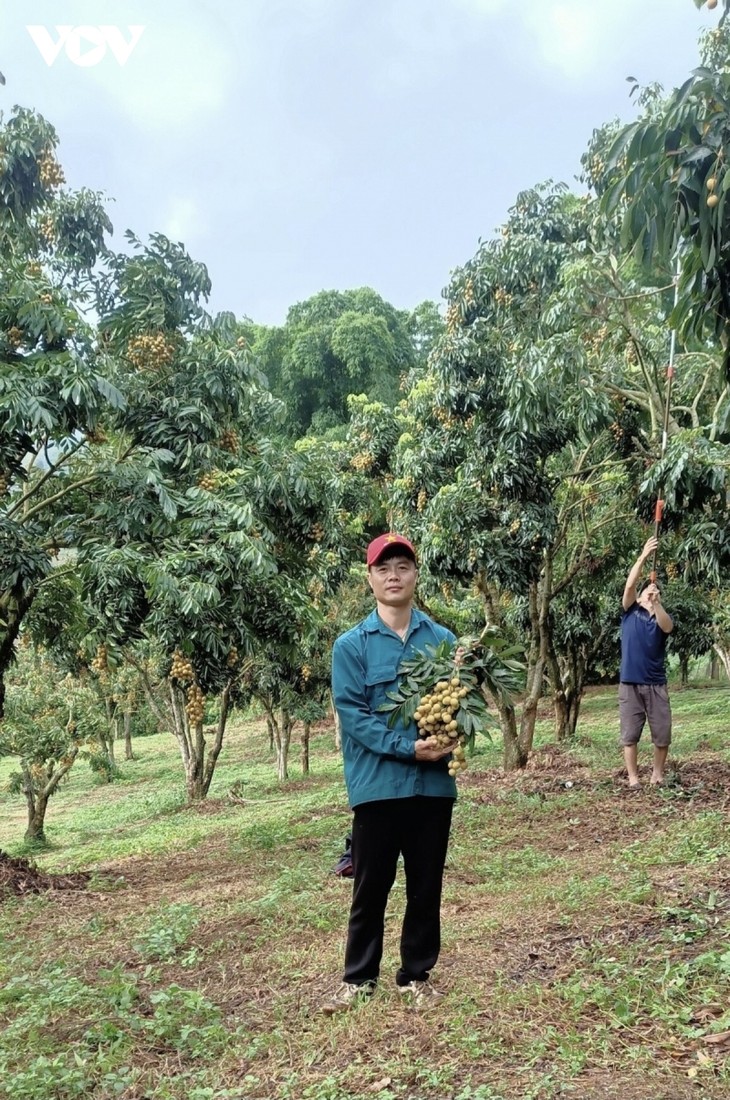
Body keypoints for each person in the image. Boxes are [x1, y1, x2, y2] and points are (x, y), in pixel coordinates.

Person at [323, 533, 458, 1014]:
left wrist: (450, 740)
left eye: (402, 566)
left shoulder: (444, 642)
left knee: (426, 885)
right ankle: (359, 979)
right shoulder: (351, 646)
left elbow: (459, 705)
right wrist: (409, 749)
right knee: (371, 886)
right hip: (377, 788)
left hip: (433, 786)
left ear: (416, 574)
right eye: (384, 568)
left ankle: (416, 976)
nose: (394, 575)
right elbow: (355, 717)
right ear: (371, 578)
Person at [619, 535, 674, 789]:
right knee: (630, 734)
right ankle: (632, 778)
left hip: (656, 684)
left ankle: (657, 774)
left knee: (662, 733)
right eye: (646, 592)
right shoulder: (630, 611)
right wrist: (643, 556)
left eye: (653, 592)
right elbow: (629, 587)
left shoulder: (659, 618)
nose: (648, 594)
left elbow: (668, 627)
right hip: (630, 683)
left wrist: (658, 604)